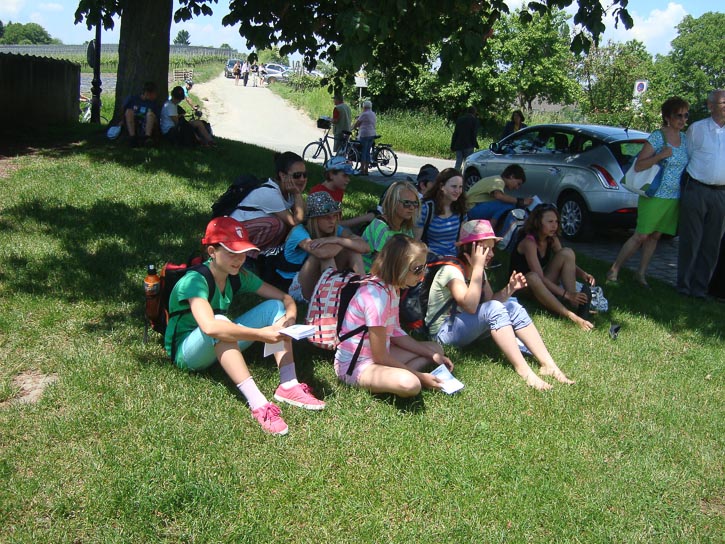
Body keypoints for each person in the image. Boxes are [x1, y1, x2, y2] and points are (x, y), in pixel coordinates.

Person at [165, 217, 325, 435]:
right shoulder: (194, 281)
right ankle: (259, 405)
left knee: (274, 307)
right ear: (212, 252)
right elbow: (210, 327)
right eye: (232, 252)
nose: (239, 259)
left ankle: (288, 384)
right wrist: (260, 335)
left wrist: (289, 319)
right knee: (220, 324)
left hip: (216, 343)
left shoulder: (237, 275)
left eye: (242, 252)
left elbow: (285, 298)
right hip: (187, 355)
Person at [427, 220, 574, 390]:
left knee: (513, 307)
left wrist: (510, 289)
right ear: (470, 249)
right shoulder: (451, 271)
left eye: (492, 249)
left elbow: (491, 300)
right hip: (443, 333)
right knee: (495, 309)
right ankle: (524, 371)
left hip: (466, 326)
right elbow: (470, 306)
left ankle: (549, 365)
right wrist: (478, 268)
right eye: (485, 249)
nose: (490, 254)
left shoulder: (478, 270)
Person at [334, 234, 454, 397]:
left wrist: (431, 355)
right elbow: (380, 356)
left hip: (379, 354)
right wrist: (421, 377)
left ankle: (402, 374)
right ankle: (408, 376)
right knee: (411, 384)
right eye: (417, 270)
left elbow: (395, 332)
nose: (422, 276)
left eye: (424, 267)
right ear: (399, 267)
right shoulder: (376, 298)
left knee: (435, 349)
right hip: (357, 365)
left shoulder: (391, 289)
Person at [607, 97, 690, 287]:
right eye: (678, 115)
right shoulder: (658, 137)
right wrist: (660, 155)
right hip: (654, 194)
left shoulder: (685, 139)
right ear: (667, 117)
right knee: (641, 235)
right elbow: (639, 165)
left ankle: (641, 273)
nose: (683, 119)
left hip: (673, 197)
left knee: (655, 236)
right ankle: (614, 269)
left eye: (686, 115)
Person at [510, 204, 595, 330]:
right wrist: (565, 294)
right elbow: (539, 277)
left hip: (542, 282)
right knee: (533, 276)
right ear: (538, 222)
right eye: (550, 222)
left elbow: (567, 260)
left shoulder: (551, 239)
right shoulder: (529, 242)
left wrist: (583, 274)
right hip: (522, 286)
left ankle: (575, 303)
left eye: (556, 222)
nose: (554, 225)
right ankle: (570, 315)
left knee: (567, 252)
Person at [273, 192, 369, 301]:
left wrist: (338, 240)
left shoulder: (336, 229)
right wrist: (345, 243)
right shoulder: (299, 232)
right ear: (314, 219)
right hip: (295, 286)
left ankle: (363, 296)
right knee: (325, 256)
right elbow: (322, 253)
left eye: (334, 216)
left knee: (353, 251)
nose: (332, 221)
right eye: (326, 217)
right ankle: (332, 302)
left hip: (317, 280)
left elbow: (365, 247)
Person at [677, 89, 725, 299]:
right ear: (711, 106)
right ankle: (684, 286)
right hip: (697, 189)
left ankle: (701, 288)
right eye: (724, 102)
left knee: (712, 244)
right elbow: (686, 157)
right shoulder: (697, 129)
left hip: (721, 193)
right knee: (691, 240)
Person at [229, 152, 306, 253]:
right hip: (233, 231)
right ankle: (249, 256)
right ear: (283, 176)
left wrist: (297, 194)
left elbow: (304, 216)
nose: (302, 179)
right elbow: (295, 222)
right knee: (277, 225)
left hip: (251, 229)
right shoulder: (270, 193)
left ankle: (267, 255)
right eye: (297, 175)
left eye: (305, 175)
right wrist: (297, 193)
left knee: (289, 228)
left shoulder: (289, 192)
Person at [362, 181, 421, 271]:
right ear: (393, 202)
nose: (412, 207)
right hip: (370, 274)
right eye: (406, 203)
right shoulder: (381, 226)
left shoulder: (405, 226)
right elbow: (378, 265)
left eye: (415, 203)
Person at [308, 156, 375, 230]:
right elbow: (331, 224)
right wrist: (364, 218)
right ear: (331, 175)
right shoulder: (318, 193)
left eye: (349, 176)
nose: (348, 180)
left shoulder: (339, 190)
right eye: (345, 175)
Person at [415, 168, 467, 256]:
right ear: (441, 186)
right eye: (454, 186)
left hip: (453, 258)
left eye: (460, 187)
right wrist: (435, 256)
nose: (458, 191)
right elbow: (416, 242)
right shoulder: (426, 208)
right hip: (430, 257)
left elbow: (461, 240)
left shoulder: (460, 209)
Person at [466, 164, 532, 228]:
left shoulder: (496, 179)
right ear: (511, 176)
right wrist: (520, 201)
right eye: (518, 184)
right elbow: (499, 196)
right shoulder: (499, 181)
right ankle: (491, 230)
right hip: (471, 210)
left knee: (505, 204)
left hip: (472, 209)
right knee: (507, 205)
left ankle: (491, 228)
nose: (517, 188)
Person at [122, 81, 160, 147]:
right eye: (154, 94)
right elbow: (123, 110)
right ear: (148, 93)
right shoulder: (133, 99)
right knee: (129, 111)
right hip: (133, 119)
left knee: (150, 114)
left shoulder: (153, 103)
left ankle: (146, 138)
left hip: (146, 121)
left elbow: (157, 117)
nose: (155, 96)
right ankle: (132, 138)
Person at [451, 106, 479, 170]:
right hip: (468, 145)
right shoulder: (474, 121)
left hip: (458, 144)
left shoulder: (460, 119)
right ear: (474, 113)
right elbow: (474, 134)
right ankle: (465, 175)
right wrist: (475, 144)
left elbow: (455, 133)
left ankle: (454, 174)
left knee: (458, 163)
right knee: (467, 163)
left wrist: (452, 145)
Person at [352, 100, 376, 176]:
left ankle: (362, 170)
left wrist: (351, 128)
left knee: (363, 152)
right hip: (372, 134)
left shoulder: (364, 114)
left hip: (364, 135)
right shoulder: (373, 114)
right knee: (368, 152)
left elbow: (357, 124)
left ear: (364, 107)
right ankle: (366, 170)